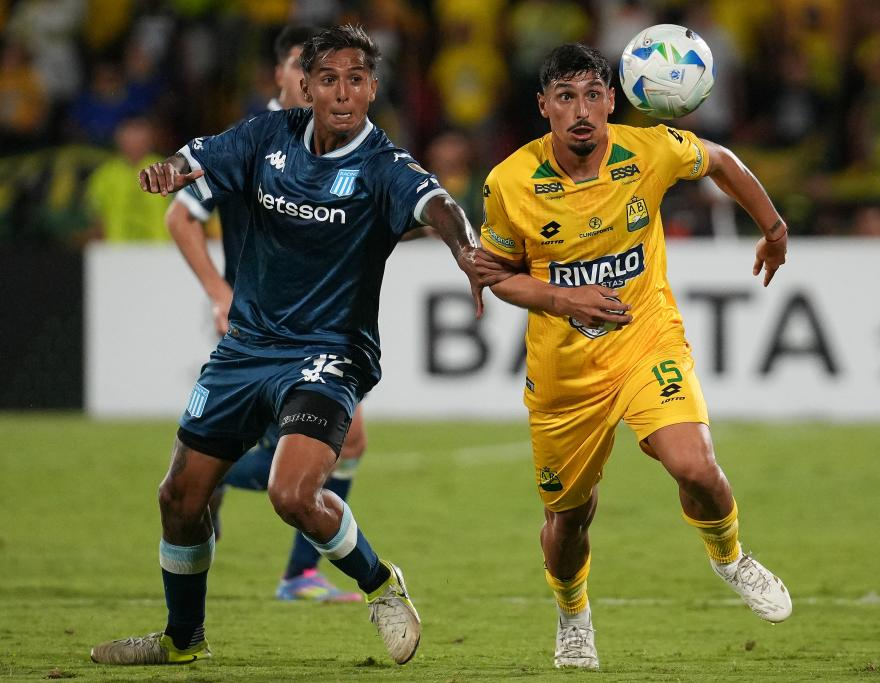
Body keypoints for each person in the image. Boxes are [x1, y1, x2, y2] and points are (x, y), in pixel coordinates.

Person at [90, 24, 506, 667]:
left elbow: (439, 206)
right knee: (178, 498)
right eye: (329, 80)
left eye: (356, 80)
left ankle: (381, 585)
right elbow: (197, 158)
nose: (343, 93)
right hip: (247, 346)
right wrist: (169, 170)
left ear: (372, 88)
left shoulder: (384, 165)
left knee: (291, 494)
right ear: (305, 87)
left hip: (329, 351)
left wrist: (467, 252)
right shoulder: (266, 136)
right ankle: (182, 640)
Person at [480, 44, 792, 670]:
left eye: (593, 94)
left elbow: (720, 160)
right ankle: (573, 618)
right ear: (543, 106)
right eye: (565, 97)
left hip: (645, 340)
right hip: (565, 374)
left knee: (696, 466)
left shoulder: (648, 150)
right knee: (569, 520)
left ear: (612, 101)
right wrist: (564, 298)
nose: (581, 111)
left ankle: (731, 558)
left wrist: (774, 228)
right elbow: (497, 274)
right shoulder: (509, 182)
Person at [166, 25, 364, 604]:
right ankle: (218, 485)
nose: (318, 80)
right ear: (280, 74)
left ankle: (294, 568)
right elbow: (181, 215)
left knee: (346, 442)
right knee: (336, 443)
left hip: (320, 327)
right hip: (260, 328)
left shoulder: (341, 140)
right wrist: (217, 292)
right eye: (305, 66)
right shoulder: (254, 140)